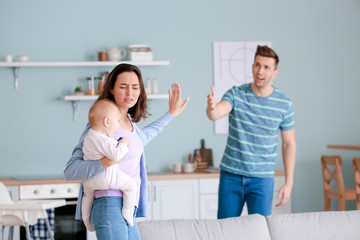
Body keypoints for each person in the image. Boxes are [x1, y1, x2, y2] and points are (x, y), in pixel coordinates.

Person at [64, 63, 189, 240]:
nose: (130, 92)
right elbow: (71, 170)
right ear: (112, 89)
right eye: (123, 86)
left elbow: (145, 136)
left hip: (128, 205)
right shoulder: (103, 124)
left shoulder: (130, 123)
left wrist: (171, 114)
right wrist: (103, 163)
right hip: (108, 203)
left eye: (135, 87)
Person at [206, 45, 296, 218]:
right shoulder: (236, 94)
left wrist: (289, 182)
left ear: (274, 72)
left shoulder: (284, 104)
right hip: (231, 175)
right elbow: (216, 113)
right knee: (226, 231)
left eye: (266, 67)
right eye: (257, 65)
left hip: (262, 180)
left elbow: (289, 144)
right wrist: (211, 108)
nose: (260, 71)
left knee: (260, 231)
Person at [81, 99, 136, 231]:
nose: (118, 126)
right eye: (117, 121)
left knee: (87, 196)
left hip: (89, 181)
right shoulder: (104, 139)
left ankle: (86, 220)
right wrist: (124, 144)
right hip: (107, 179)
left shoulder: (89, 137)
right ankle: (127, 213)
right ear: (106, 121)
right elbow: (116, 155)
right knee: (131, 186)